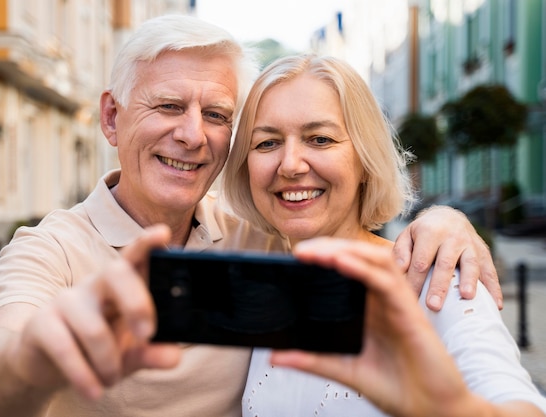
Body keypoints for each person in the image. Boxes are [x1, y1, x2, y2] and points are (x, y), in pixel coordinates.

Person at [0, 15, 501, 417]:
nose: (192, 135)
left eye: (215, 115)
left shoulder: (259, 234)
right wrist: (32, 356)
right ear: (112, 118)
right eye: (168, 106)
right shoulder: (52, 250)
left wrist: (446, 219)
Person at [221, 54, 546, 416]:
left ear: (364, 159)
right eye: (266, 143)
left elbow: (517, 402)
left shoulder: (436, 283)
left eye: (320, 139)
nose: (291, 164)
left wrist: (455, 409)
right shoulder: (261, 287)